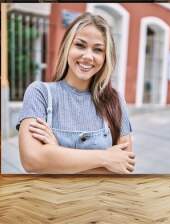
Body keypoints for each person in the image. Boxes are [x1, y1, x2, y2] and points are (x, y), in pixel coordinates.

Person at [17, 13, 135, 174]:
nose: (88, 56)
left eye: (98, 49)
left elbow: (124, 166)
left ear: (105, 57)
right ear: (67, 47)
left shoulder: (115, 100)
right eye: (80, 45)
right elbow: (32, 160)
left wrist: (55, 153)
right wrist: (106, 158)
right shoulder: (40, 93)